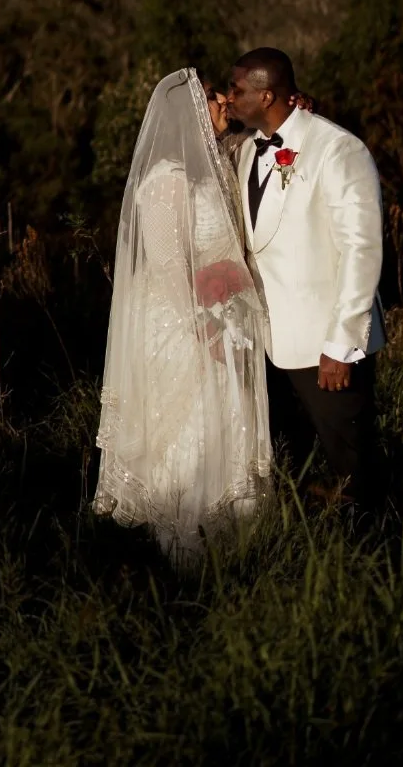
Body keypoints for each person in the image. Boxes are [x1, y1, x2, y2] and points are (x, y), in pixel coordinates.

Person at [93, 68, 272, 559]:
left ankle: (234, 543)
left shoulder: (213, 167)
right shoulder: (163, 181)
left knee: (225, 422)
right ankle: (184, 548)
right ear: (191, 108)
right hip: (179, 322)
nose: (224, 110)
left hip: (219, 314)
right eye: (217, 102)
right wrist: (203, 326)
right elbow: (170, 264)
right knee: (190, 432)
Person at [228, 46, 385, 509]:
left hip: (325, 345)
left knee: (354, 469)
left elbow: (362, 249)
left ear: (267, 95)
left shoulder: (338, 149)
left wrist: (341, 343)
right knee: (291, 465)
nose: (230, 98)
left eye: (238, 91)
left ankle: (382, 557)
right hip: (268, 341)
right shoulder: (244, 150)